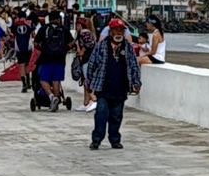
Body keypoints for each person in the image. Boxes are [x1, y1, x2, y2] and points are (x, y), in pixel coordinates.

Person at [85, 19, 142, 149]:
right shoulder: (101, 46)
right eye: (116, 30)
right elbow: (92, 64)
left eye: (121, 30)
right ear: (110, 31)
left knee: (116, 116)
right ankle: (96, 140)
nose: (118, 33)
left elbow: (134, 66)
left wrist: (136, 82)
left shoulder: (128, 47)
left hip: (120, 88)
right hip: (103, 88)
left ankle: (115, 140)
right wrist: (88, 83)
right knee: (101, 114)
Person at [34, 10, 73, 112]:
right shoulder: (63, 29)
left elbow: (36, 43)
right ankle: (56, 99)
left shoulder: (44, 29)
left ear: (49, 19)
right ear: (59, 19)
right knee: (56, 80)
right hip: (60, 59)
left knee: (43, 79)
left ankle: (52, 97)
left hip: (46, 58)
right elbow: (71, 43)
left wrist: (43, 49)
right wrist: (64, 49)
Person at [73, 15, 99, 112]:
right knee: (85, 80)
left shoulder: (84, 33)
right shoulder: (87, 33)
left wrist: (82, 51)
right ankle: (86, 102)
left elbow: (89, 43)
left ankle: (93, 99)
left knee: (87, 80)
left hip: (87, 59)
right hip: (87, 59)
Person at [11, 10, 35, 92]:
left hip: (19, 48)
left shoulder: (15, 25)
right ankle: (28, 82)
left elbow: (12, 33)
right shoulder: (29, 24)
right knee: (27, 65)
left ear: (18, 17)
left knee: (21, 65)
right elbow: (33, 33)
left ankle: (24, 84)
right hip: (28, 47)